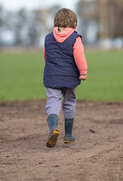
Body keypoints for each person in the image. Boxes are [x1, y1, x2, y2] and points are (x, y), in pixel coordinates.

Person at [43, 8, 87, 148]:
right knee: (69, 102)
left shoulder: (48, 37)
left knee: (53, 101)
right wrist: (83, 71)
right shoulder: (75, 37)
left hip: (52, 77)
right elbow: (79, 56)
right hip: (70, 77)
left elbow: (46, 55)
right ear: (74, 24)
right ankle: (68, 135)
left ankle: (53, 128)